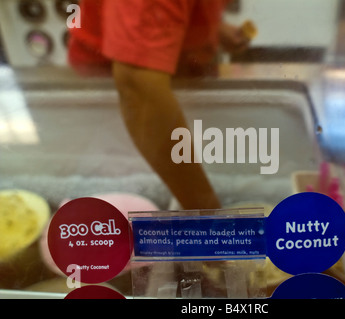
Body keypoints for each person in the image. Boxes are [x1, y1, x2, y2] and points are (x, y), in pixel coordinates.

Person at [68, 0, 251, 210]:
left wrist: (209, 26)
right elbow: (138, 86)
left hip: (167, 74)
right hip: (113, 93)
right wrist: (210, 217)